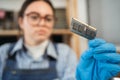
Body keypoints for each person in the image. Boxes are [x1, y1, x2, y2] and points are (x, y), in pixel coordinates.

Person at [0, 0, 77, 80]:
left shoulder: (65, 54)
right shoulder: (2, 53)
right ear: (21, 21)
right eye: (34, 17)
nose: (42, 23)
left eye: (48, 19)